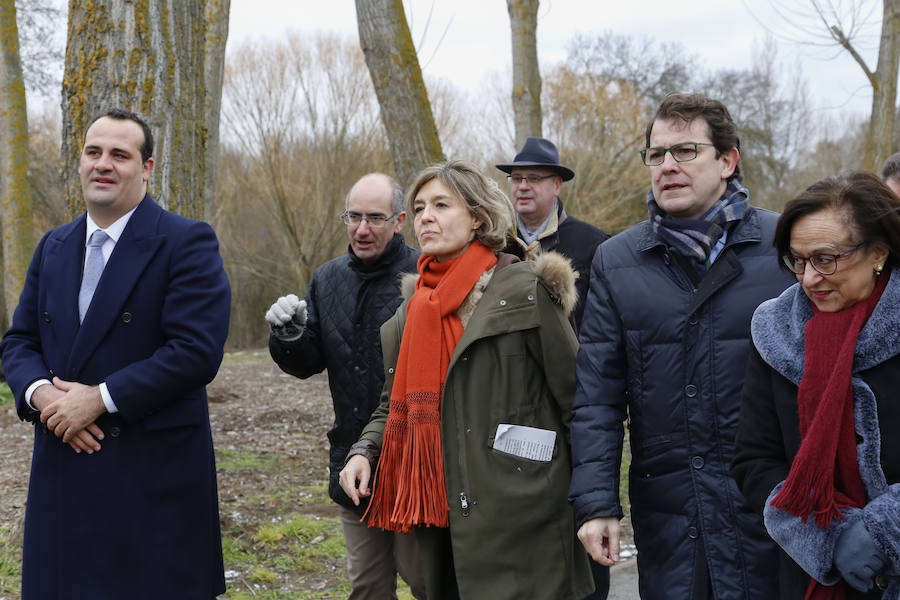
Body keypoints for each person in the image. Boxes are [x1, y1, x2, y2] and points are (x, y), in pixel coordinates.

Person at [569, 93, 794, 600]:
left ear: (728, 159)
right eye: (656, 154)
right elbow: (598, 396)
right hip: (671, 512)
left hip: (773, 506)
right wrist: (596, 501)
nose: (667, 166)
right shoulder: (616, 259)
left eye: (686, 151)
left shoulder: (785, 244)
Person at [0, 108, 230, 598]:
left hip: (150, 480)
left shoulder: (187, 242)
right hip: (65, 473)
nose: (103, 164)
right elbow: (19, 342)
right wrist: (46, 399)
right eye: (93, 152)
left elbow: (196, 351)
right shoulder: (53, 247)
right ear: (80, 162)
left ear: (146, 168)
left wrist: (99, 399)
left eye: (120, 155)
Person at [339, 160, 593, 600]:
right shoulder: (412, 311)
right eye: (419, 208)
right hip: (444, 521)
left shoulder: (524, 292)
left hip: (524, 516)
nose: (426, 217)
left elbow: (579, 403)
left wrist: (593, 502)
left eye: (441, 204)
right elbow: (389, 404)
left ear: (477, 216)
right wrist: (365, 451)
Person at [731, 172, 900, 599]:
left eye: (826, 259)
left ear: (878, 253)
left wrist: (884, 531)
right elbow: (755, 460)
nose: (808, 279)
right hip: (817, 579)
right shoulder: (774, 332)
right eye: (797, 260)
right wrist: (832, 539)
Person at [265, 173, 425, 600]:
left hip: (416, 463)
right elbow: (308, 363)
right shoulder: (327, 278)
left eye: (375, 218)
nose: (361, 229)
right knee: (368, 586)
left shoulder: (426, 275)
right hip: (352, 463)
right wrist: (290, 335)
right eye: (353, 217)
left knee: (426, 580)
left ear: (400, 220)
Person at [496, 136, 609, 331]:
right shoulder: (495, 242)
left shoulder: (594, 244)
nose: (523, 186)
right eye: (516, 178)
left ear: (557, 185)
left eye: (534, 178)